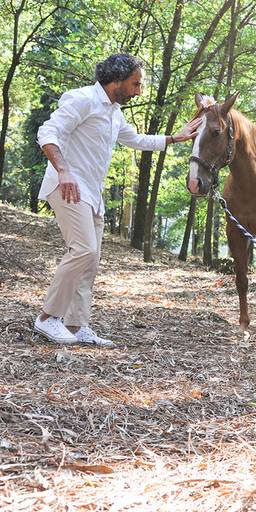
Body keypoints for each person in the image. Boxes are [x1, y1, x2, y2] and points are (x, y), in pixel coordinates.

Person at [32, 53, 202, 347]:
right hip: (68, 187)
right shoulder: (82, 99)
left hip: (91, 194)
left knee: (91, 260)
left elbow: (136, 139)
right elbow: (47, 131)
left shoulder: (113, 112)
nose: (139, 91)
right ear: (117, 80)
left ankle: (76, 324)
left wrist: (175, 138)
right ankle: (48, 318)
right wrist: (63, 171)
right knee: (83, 250)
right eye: (136, 84)